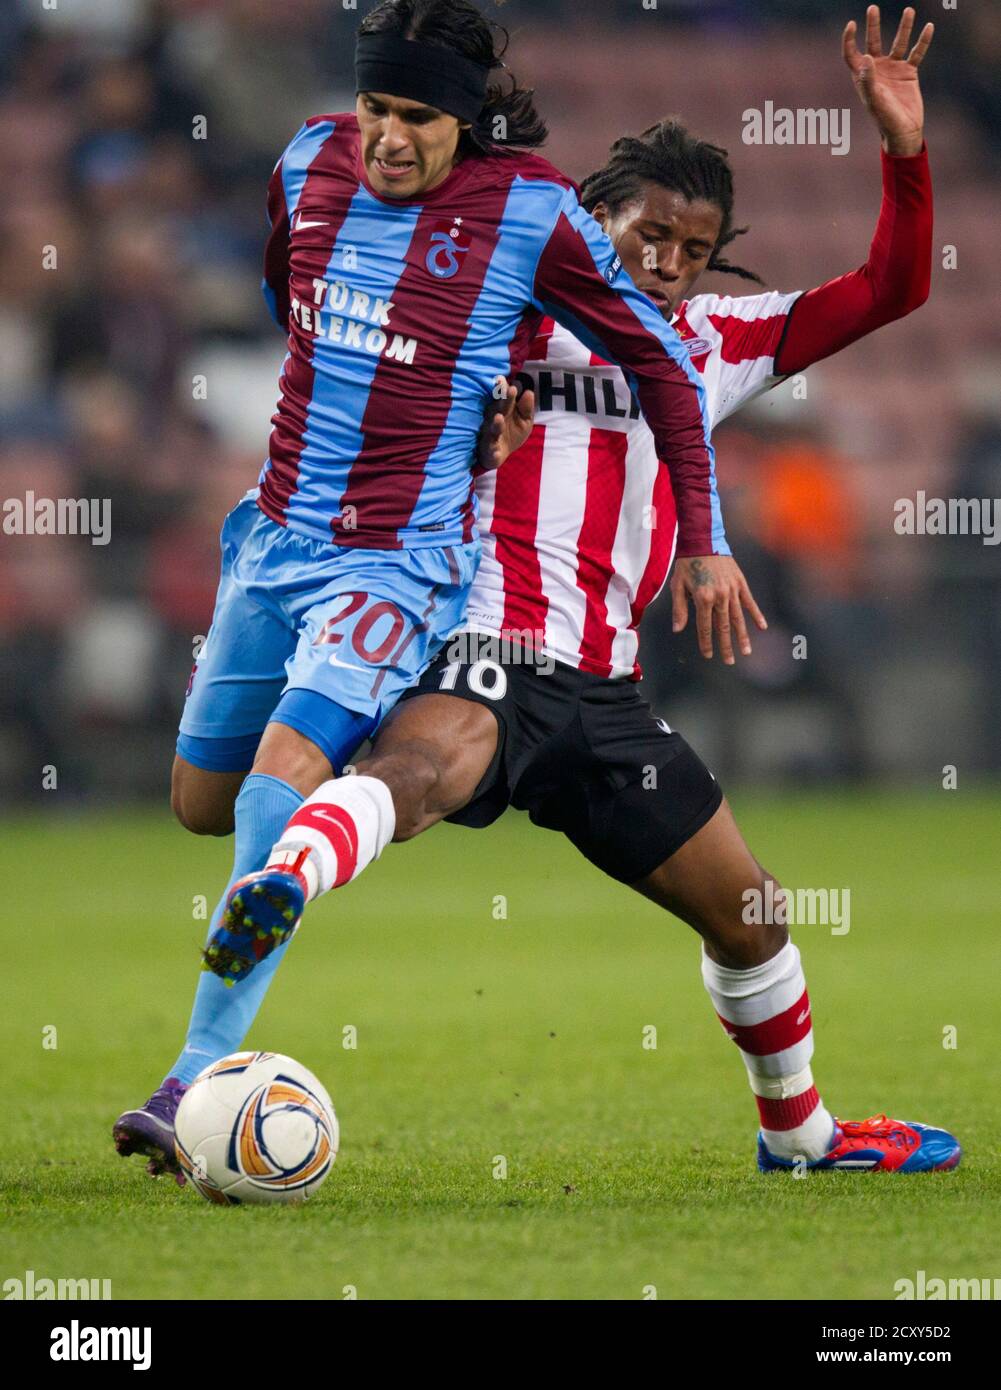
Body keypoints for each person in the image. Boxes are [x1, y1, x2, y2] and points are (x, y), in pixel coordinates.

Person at [130, 6, 962, 1178]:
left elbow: (889, 289)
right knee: (409, 774)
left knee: (754, 913)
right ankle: (281, 880)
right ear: (594, 218)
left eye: (692, 245)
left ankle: (801, 1138)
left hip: (604, 690)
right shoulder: (515, 296)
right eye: (646, 234)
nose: (666, 261)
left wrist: (902, 152)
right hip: (478, 640)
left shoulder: (716, 341)